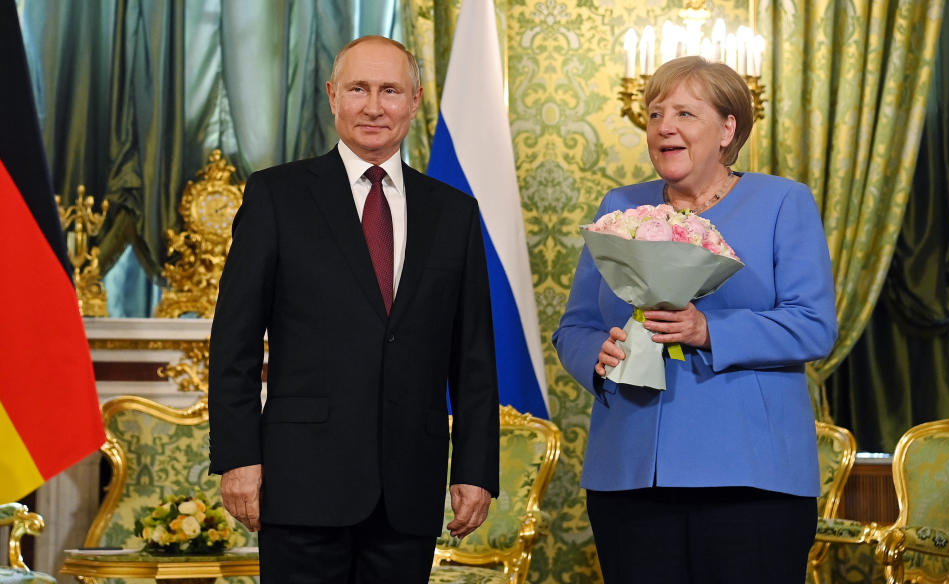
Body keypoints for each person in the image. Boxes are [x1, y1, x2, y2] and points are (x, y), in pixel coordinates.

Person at [208, 35, 500, 584]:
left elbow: (474, 358)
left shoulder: (453, 213)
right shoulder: (277, 195)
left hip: (408, 489)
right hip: (301, 484)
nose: (373, 106)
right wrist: (237, 458)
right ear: (332, 96)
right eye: (358, 89)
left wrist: (475, 470)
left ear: (414, 100)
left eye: (390, 90)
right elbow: (235, 343)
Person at [552, 55, 837, 583]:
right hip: (632, 474)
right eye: (656, 113)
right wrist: (596, 355)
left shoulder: (782, 203)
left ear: (728, 128)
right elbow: (574, 326)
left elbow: (813, 325)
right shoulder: (620, 206)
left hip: (752, 478)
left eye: (685, 113)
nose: (665, 127)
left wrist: (709, 331)